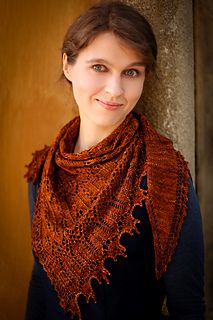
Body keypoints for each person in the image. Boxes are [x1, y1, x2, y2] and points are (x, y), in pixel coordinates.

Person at [24, 1, 205, 319]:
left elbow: (187, 304)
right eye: (99, 67)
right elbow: (41, 283)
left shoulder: (164, 175)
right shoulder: (45, 171)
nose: (115, 89)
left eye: (131, 72)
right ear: (68, 65)